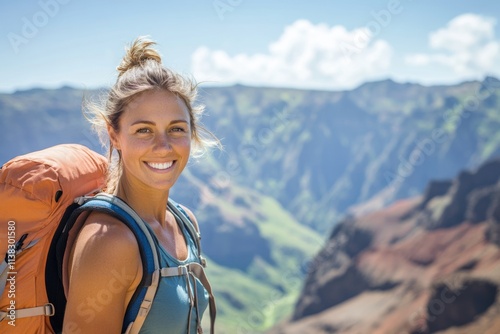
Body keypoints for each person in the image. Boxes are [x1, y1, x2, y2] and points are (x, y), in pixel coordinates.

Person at [62, 36, 220, 333]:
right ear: (114, 135)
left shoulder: (185, 222)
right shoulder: (109, 242)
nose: (163, 146)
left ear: (192, 133)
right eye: (143, 130)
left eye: (176, 129)